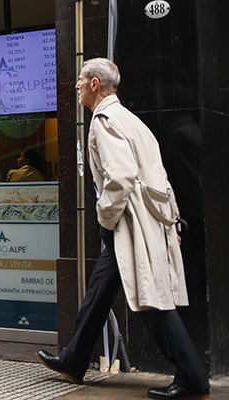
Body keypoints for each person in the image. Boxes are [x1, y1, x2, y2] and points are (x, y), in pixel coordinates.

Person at [36, 58, 209, 399]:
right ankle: (74, 360)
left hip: (129, 223)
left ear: (95, 84)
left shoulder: (104, 121)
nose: (77, 86)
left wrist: (105, 216)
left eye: (82, 80)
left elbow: (120, 178)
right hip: (145, 218)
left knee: (150, 299)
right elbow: (158, 172)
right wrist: (170, 219)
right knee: (100, 291)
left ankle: (192, 377)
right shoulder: (131, 119)